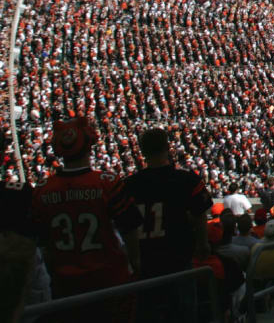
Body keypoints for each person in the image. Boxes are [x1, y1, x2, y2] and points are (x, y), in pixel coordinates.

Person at [31, 117, 143, 320]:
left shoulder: (42, 191)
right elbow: (130, 228)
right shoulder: (107, 183)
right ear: (89, 145)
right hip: (109, 282)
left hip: (64, 286)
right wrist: (136, 263)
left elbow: (42, 243)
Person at [123, 127, 213, 322]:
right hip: (177, 259)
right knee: (183, 313)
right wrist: (202, 243)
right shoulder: (186, 180)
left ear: (142, 151)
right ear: (168, 148)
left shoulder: (129, 185)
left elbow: (124, 224)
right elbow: (200, 213)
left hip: (145, 261)